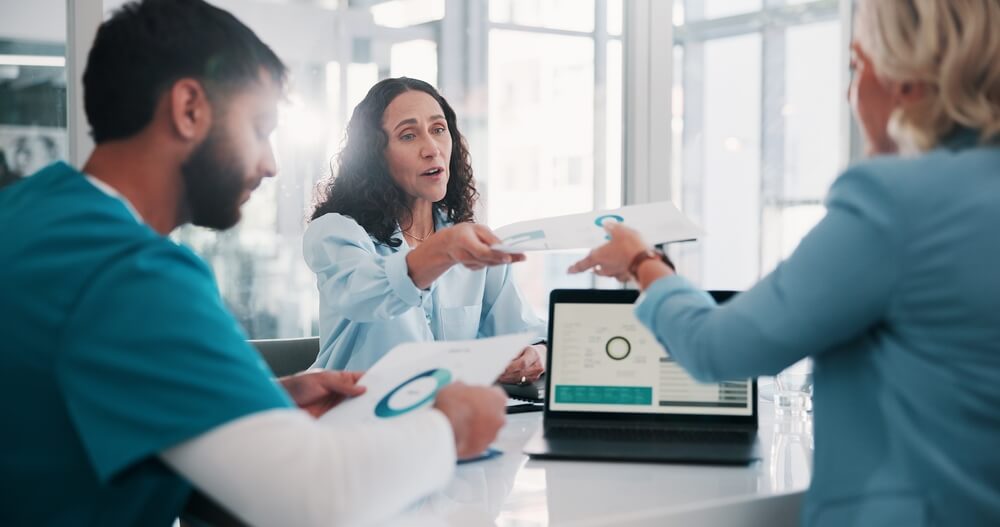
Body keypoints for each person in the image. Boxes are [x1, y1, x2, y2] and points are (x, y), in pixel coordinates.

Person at [0, 1, 507, 526]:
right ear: (189, 109)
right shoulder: (131, 273)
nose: (270, 164)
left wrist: (257, 404)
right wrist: (450, 427)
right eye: (260, 127)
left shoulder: (28, 220)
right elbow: (310, 499)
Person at [569, 0, 1000, 525]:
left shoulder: (897, 202)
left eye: (857, 66)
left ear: (906, 80)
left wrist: (641, 261)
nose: (848, 92)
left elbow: (719, 348)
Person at [306, 77, 546, 384]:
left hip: (448, 409)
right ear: (374, 155)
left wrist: (536, 353)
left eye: (438, 129)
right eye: (408, 136)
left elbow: (524, 331)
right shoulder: (335, 232)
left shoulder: (470, 240)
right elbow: (365, 296)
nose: (432, 149)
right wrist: (442, 251)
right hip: (355, 408)